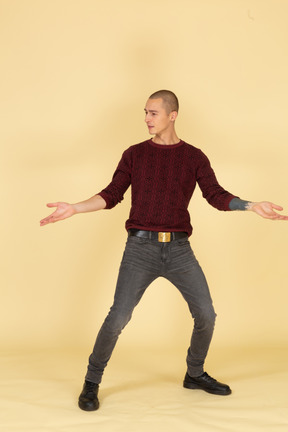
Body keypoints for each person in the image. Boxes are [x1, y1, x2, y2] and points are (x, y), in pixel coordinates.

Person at [40, 90, 288, 411]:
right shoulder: (134, 154)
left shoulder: (194, 157)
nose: (146, 118)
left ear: (172, 115)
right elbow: (112, 194)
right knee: (118, 318)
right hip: (140, 248)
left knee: (206, 315)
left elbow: (215, 195)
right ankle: (91, 382)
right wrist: (74, 207)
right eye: (145, 112)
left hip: (179, 250)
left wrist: (252, 205)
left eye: (153, 113)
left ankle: (194, 373)